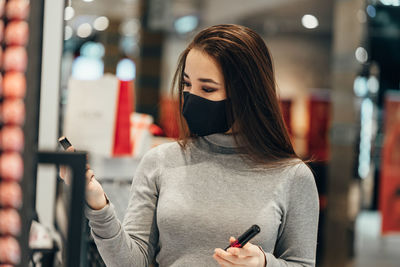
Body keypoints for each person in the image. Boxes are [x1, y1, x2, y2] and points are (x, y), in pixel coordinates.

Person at [60, 24, 319, 267]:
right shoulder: (160, 161)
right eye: (186, 84)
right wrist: (97, 204)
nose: (191, 98)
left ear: (246, 94)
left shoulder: (293, 177)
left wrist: (264, 262)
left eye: (207, 89)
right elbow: (131, 262)